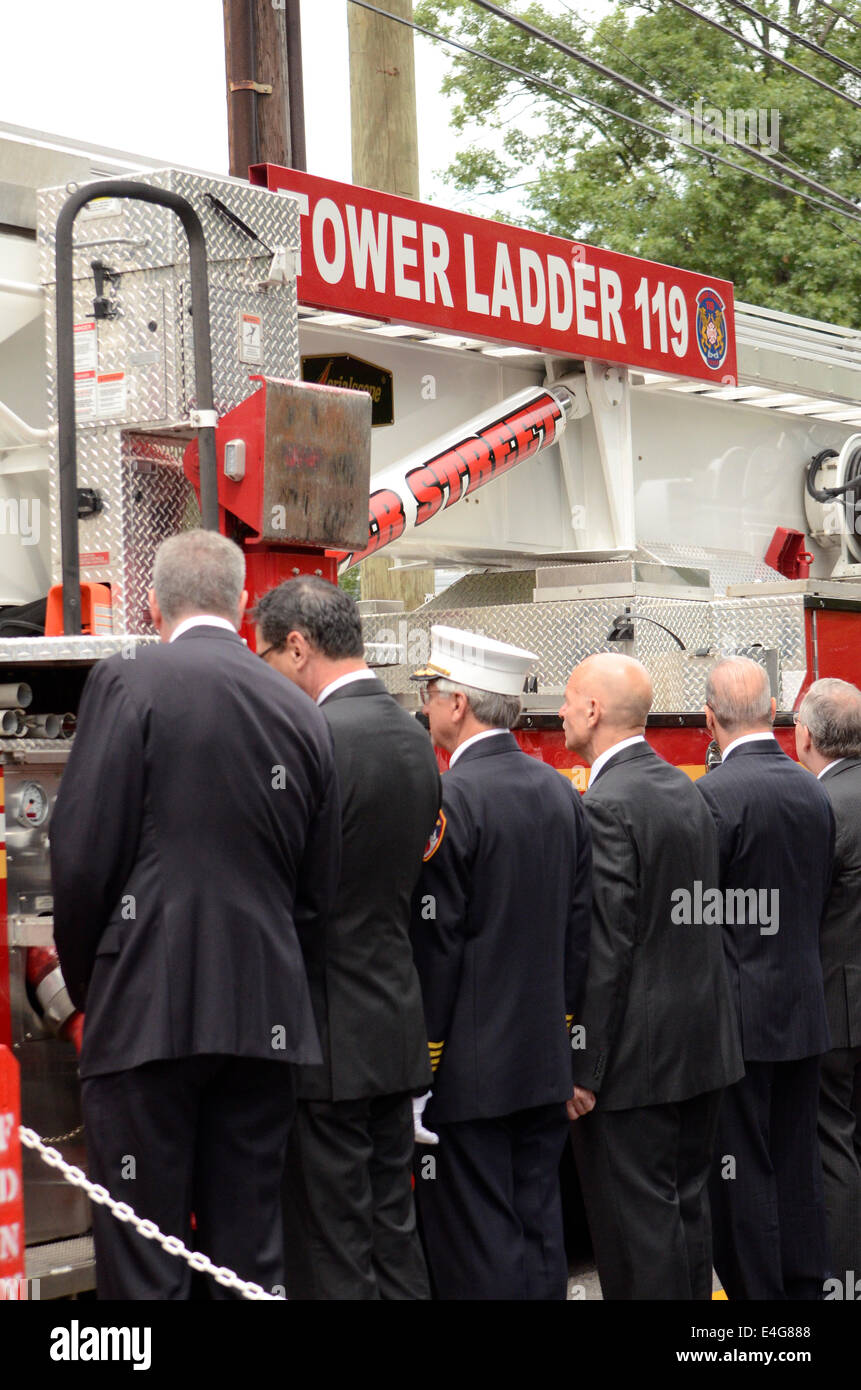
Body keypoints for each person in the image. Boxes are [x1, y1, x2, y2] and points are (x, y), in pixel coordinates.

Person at [51, 529, 340, 1300]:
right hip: (264, 1020)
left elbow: (82, 857)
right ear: (245, 607)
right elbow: (317, 892)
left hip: (147, 1010)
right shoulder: (300, 707)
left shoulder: (127, 681)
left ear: (151, 605)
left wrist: (94, 987)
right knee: (246, 1252)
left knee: (147, 1248)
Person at [254, 576, 441, 1300]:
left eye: (268, 656)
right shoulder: (411, 733)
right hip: (392, 1025)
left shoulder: (312, 739)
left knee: (329, 1240)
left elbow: (294, 892)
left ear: (297, 647)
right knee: (392, 1229)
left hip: (325, 1036)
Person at [409, 624, 592, 1300]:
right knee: (538, 1229)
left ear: (458, 702)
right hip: (542, 1063)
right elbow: (580, 933)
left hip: (468, 1072)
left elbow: (437, 943)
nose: (425, 706)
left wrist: (422, 1064)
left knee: (477, 1242)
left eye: (430, 692)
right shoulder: (559, 794)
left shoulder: (452, 800)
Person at [560, 653, 743, 1300]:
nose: (558, 710)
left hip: (636, 1068)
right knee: (686, 1222)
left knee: (636, 1240)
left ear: (591, 710)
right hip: (701, 1050)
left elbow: (606, 946)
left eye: (566, 698)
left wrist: (582, 1066)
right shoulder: (682, 790)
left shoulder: (604, 805)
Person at [697, 656, 834, 1301]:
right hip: (804, 1008)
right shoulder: (813, 789)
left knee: (742, 1171)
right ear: (775, 711)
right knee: (797, 1163)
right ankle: (804, 1297)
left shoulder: (713, 796)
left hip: (738, 1019)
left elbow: (696, 915)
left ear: (709, 717)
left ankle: (760, 1315)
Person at [795, 677, 861, 1291]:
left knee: (833, 1143)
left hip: (838, 1010)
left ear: (806, 736)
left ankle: (843, 1283)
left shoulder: (822, 808)